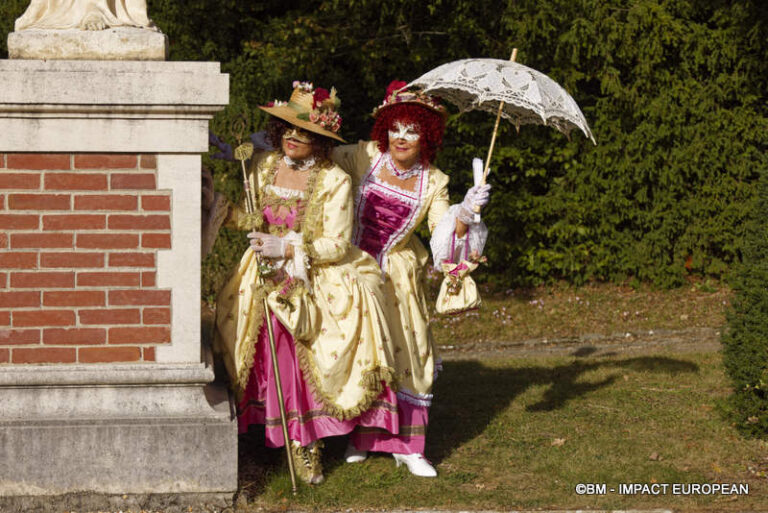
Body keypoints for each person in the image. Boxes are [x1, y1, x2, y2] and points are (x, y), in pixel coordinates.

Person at [210, 82, 399, 485]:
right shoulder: (263, 165)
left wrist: (287, 247)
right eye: (288, 130)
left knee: (295, 351)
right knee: (251, 345)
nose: (294, 137)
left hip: (308, 274)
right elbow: (251, 219)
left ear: (320, 138)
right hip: (258, 272)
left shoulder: (333, 179)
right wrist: (221, 209)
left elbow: (335, 243)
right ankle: (262, 436)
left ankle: (304, 443)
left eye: (305, 132)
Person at [332, 80, 490, 477]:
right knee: (361, 351)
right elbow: (317, 168)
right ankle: (361, 437)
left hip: (397, 277)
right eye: (395, 126)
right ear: (384, 126)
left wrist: (465, 215)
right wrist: (269, 151)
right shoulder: (364, 156)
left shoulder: (434, 181)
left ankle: (409, 447)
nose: (401, 137)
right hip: (350, 268)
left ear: (428, 135)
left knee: (410, 348)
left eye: (413, 129)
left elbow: (442, 237)